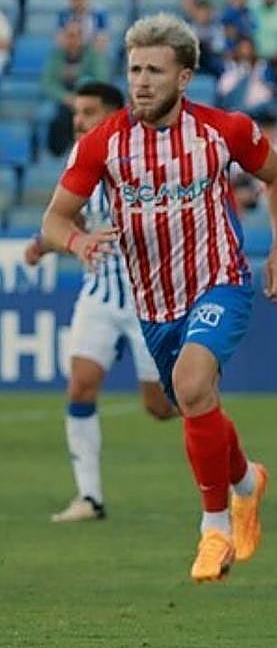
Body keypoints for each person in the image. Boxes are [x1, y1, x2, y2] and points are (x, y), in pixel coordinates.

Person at [40, 13, 277, 583]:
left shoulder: (224, 130)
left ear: (184, 77)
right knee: (195, 404)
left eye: (155, 70)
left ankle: (214, 529)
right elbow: (55, 219)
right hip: (153, 303)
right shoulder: (104, 143)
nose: (142, 82)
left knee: (190, 384)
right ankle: (247, 482)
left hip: (219, 280)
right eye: (135, 70)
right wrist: (79, 240)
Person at [22, 83, 174, 523]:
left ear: (112, 114)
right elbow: (73, 217)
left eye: (88, 113)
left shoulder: (142, 156)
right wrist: (47, 244)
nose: (78, 121)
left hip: (151, 301)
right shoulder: (80, 159)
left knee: (160, 407)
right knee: (81, 385)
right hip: (100, 293)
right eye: (76, 114)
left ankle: (205, 408)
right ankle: (90, 497)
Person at [42, 20, 112, 156]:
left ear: (82, 38)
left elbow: (101, 79)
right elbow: (48, 83)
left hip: (88, 100)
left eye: (75, 36)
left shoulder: (94, 55)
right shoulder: (56, 56)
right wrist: (64, 97)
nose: (72, 40)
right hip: (64, 102)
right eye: (69, 36)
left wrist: (80, 97)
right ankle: (59, 155)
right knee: (58, 120)